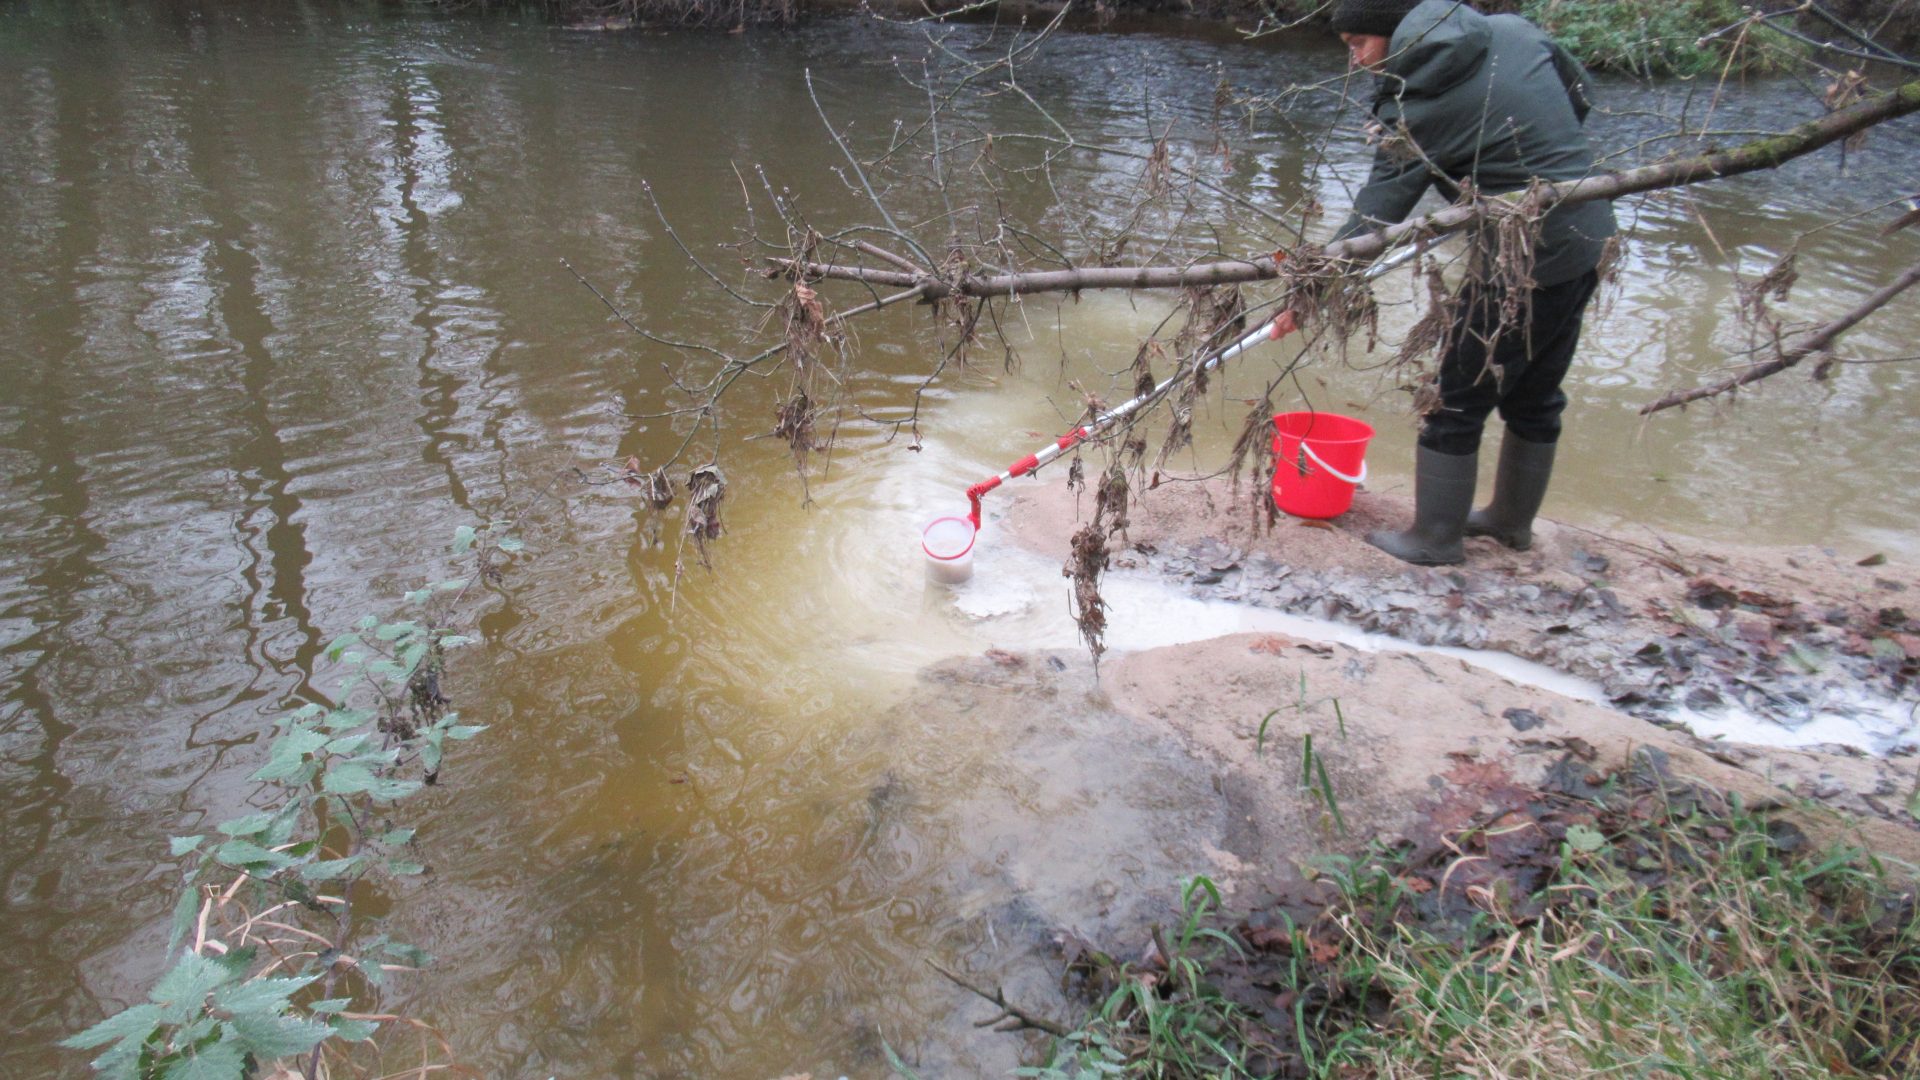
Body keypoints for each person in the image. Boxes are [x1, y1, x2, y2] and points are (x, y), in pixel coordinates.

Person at [1323, 0, 1617, 564]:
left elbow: (1375, 216)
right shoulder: (1512, 30)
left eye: (1360, 43)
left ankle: (1434, 538)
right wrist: (1520, 159)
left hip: (1523, 259)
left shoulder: (1414, 110)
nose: (1356, 60)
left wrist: (1313, 289)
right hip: (1591, 227)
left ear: (1397, 33)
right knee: (1535, 394)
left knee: (1454, 399)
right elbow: (1578, 95)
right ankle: (1510, 523)